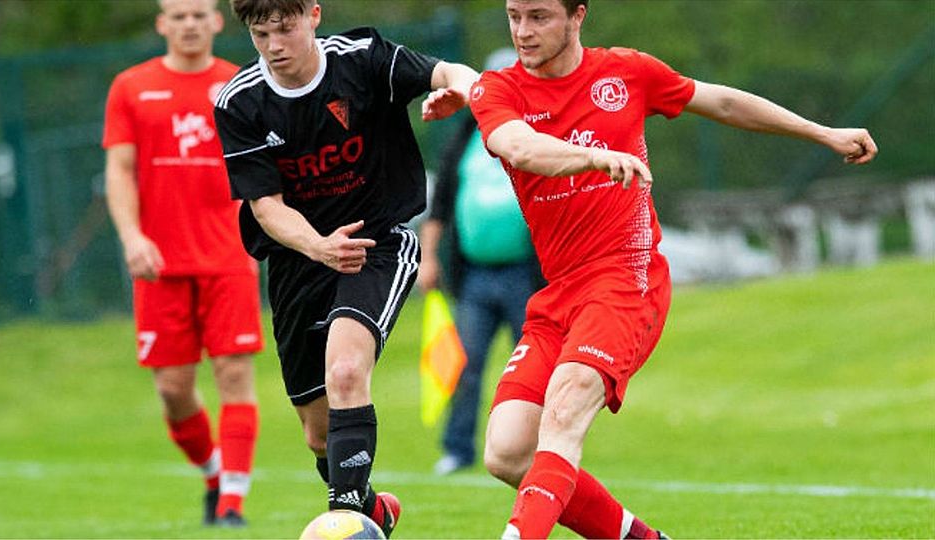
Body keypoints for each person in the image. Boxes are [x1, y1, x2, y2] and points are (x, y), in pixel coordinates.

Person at [468, 1, 879, 538]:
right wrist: (591, 157)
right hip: (558, 294)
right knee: (506, 451)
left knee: (565, 410)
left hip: (626, 279)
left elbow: (724, 102)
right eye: (514, 16)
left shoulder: (626, 72)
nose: (523, 31)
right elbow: (519, 148)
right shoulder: (498, 90)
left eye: (539, 16)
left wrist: (822, 132)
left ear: (578, 16)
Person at [212, 0, 478, 536]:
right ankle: (376, 512)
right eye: (261, 34)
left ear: (313, 14)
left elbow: (445, 70)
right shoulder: (239, 102)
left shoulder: (361, 59)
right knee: (319, 434)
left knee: (347, 372)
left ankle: (352, 524)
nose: (274, 46)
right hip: (299, 261)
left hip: (377, 243)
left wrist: (466, 91)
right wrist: (317, 247)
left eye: (284, 28)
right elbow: (266, 207)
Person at [103, 0, 264, 529]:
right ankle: (215, 474)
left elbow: (264, 168)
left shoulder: (241, 84)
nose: (190, 24)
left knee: (234, 374)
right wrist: (132, 237)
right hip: (159, 263)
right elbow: (120, 172)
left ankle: (233, 506)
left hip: (229, 255)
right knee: (173, 389)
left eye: (200, 14)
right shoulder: (130, 87)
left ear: (217, 22)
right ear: (162, 24)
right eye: (179, 16)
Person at [418, 48, 542, 477]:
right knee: (466, 364)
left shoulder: (534, 131)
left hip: (527, 276)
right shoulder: (468, 135)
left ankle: (540, 451)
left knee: (531, 368)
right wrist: (428, 257)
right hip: (474, 278)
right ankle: (457, 449)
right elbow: (442, 205)